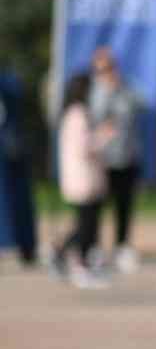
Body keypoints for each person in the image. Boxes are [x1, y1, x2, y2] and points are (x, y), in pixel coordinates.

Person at [87, 47, 146, 272]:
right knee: (97, 206)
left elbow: (143, 103)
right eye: (102, 68)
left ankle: (122, 246)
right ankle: (94, 248)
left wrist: (121, 87)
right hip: (102, 160)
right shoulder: (94, 92)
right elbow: (95, 116)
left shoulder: (127, 88)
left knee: (124, 205)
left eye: (110, 67)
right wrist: (108, 91)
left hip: (127, 156)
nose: (107, 72)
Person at [51, 72, 109, 289]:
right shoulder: (78, 115)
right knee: (85, 226)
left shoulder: (76, 114)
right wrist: (104, 135)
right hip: (82, 179)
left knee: (87, 224)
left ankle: (62, 254)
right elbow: (85, 147)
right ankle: (79, 266)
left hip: (85, 178)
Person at [0, 69, 38, 266]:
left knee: (16, 202)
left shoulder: (10, 83)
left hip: (10, 151)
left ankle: (25, 246)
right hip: (11, 149)